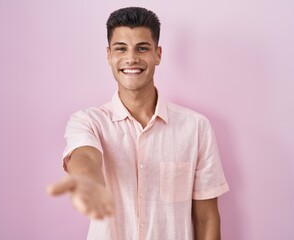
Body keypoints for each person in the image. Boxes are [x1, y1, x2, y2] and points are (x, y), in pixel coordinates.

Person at [47, 6, 229, 240]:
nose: (131, 58)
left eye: (142, 48)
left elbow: (206, 218)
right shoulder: (88, 121)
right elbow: (86, 156)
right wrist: (85, 178)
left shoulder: (195, 127)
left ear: (158, 54)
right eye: (120, 48)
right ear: (109, 55)